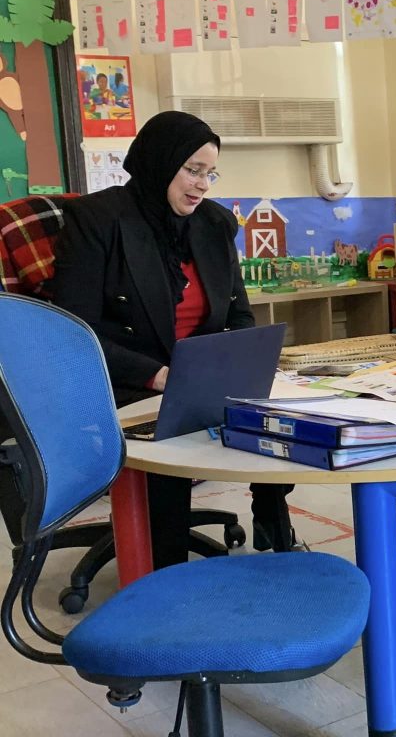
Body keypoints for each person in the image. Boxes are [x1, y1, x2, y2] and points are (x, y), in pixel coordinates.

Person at [53, 111, 303, 566]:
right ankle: (167, 571)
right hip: (124, 378)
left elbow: (239, 313)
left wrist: (239, 364)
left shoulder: (215, 224)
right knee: (169, 434)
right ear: (161, 162)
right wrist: (159, 375)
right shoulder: (96, 220)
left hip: (195, 375)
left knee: (275, 408)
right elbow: (73, 332)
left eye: (211, 173)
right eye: (193, 170)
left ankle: (272, 516)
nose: (203, 184)